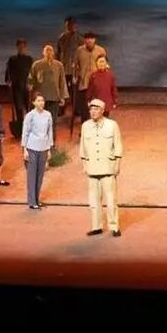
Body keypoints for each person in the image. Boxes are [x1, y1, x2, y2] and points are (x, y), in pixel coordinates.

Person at [80, 99, 123, 237]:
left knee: (111, 200)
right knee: (93, 201)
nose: (93, 112)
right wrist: (84, 165)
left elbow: (118, 145)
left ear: (102, 110)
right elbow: (83, 147)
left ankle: (114, 226)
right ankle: (96, 226)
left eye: (96, 109)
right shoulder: (85, 126)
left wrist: (117, 164)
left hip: (108, 167)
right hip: (92, 167)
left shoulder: (112, 125)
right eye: (91, 109)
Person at [28, 43, 68, 145]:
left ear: (53, 52)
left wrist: (62, 97)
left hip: (54, 97)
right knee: (39, 121)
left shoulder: (59, 65)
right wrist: (30, 86)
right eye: (47, 50)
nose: (49, 52)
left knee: (52, 121)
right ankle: (39, 143)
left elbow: (62, 81)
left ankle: (51, 143)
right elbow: (31, 78)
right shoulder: (37, 64)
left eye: (50, 50)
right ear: (43, 53)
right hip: (41, 98)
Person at [22, 92, 53, 209]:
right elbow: (25, 132)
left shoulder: (48, 115)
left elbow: (50, 132)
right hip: (32, 147)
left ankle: (37, 198)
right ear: (34, 102)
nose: (41, 103)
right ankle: (32, 201)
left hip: (43, 147)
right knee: (32, 175)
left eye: (42, 100)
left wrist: (49, 148)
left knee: (40, 175)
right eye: (38, 101)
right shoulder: (30, 115)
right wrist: (24, 149)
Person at [74, 32, 108, 123]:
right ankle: (85, 126)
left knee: (97, 106)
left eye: (91, 38)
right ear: (84, 40)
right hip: (84, 83)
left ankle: (98, 126)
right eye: (87, 39)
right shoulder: (79, 50)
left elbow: (106, 66)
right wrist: (75, 76)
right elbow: (75, 65)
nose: (89, 41)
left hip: (97, 84)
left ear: (94, 40)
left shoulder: (100, 50)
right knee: (85, 108)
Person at [56, 16, 83, 113]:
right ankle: (61, 109)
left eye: (72, 24)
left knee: (75, 91)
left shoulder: (79, 38)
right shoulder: (61, 38)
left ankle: (76, 109)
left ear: (75, 25)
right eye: (68, 25)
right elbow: (58, 53)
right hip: (63, 68)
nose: (70, 27)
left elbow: (82, 54)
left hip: (75, 70)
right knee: (62, 89)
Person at [5, 38, 34, 124]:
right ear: (17, 47)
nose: (21, 48)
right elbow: (8, 72)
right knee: (18, 108)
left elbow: (33, 73)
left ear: (25, 48)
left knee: (28, 107)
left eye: (23, 46)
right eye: (20, 46)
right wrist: (8, 81)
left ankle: (29, 125)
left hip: (26, 86)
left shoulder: (29, 59)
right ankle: (20, 125)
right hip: (16, 87)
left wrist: (31, 84)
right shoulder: (12, 59)